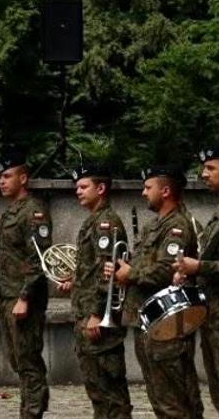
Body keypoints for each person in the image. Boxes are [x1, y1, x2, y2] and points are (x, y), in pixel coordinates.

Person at [111, 165, 204, 418]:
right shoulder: (155, 225)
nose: (143, 193)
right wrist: (123, 271)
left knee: (175, 402)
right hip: (149, 320)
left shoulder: (178, 226)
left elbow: (166, 269)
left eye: (147, 187)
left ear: (165, 191)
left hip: (168, 323)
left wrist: (130, 273)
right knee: (161, 398)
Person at [0, 152, 50, 418]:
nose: (2, 181)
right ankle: (27, 410)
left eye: (7, 176)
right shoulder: (11, 212)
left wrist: (24, 297)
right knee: (18, 360)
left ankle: (33, 413)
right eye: (0, 177)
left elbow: (38, 259)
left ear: (23, 178)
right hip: (7, 294)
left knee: (29, 360)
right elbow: (18, 252)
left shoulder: (33, 211)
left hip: (24, 297)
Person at [66, 165, 129, 419]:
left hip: (99, 319)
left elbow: (109, 273)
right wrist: (74, 281)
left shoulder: (106, 223)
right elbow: (93, 269)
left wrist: (95, 314)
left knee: (110, 393)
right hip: (86, 314)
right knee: (98, 391)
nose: (78, 192)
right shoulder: (93, 220)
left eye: (83, 187)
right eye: (77, 188)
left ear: (101, 189)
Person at [177, 147, 219, 416]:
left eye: (211, 168)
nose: (203, 174)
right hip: (214, 315)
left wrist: (199, 266)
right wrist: (189, 270)